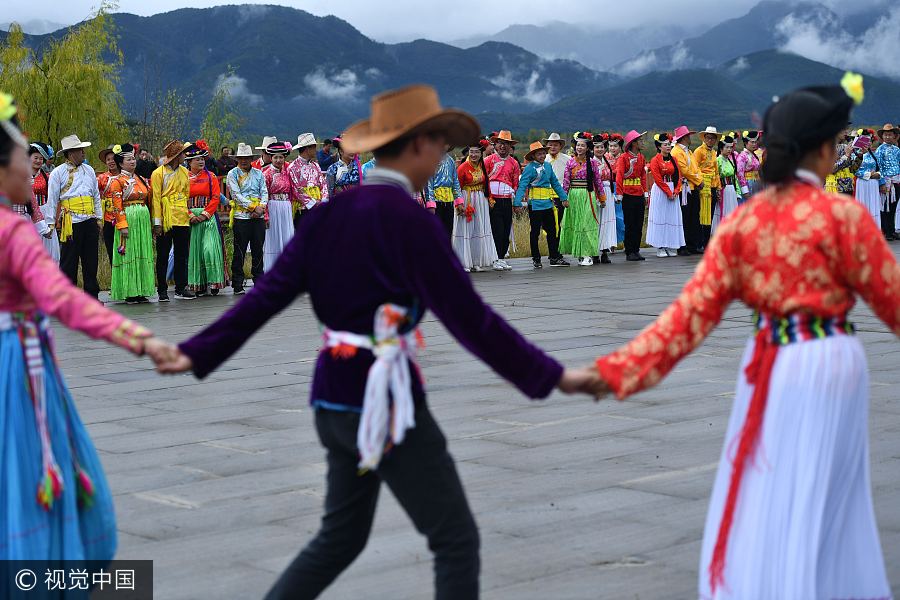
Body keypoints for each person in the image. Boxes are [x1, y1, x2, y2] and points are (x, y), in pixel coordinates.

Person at [148, 84, 593, 600]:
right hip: (383, 403)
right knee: (455, 539)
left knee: (340, 538)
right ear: (419, 144)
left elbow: (263, 297)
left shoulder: (330, 216)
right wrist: (554, 375)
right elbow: (474, 322)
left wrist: (197, 351)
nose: (443, 154)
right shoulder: (414, 223)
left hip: (332, 400)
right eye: (441, 143)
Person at [588, 78, 899, 599]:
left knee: (778, 483)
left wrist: (613, 372)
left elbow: (685, 320)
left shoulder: (743, 224)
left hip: (773, 360)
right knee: (832, 495)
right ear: (823, 150)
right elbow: (893, 302)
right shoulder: (843, 215)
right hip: (833, 360)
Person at [0, 92, 168, 561]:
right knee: (28, 455)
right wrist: (139, 338)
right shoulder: (12, 231)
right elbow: (59, 297)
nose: (30, 173)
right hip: (15, 358)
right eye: (22, 160)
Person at [45, 134, 103, 299]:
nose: (83, 153)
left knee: (91, 261)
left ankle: (92, 296)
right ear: (70, 153)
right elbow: (52, 199)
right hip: (71, 222)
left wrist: (98, 217)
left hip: (89, 220)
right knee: (69, 262)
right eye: (80, 150)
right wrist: (50, 223)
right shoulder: (58, 173)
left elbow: (95, 196)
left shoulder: (89, 170)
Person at [107, 144, 155, 304]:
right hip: (129, 218)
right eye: (129, 159)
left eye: (133, 158)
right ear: (121, 163)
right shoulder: (117, 181)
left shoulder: (139, 179)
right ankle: (130, 291)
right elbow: (116, 204)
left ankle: (141, 289)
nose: (133, 161)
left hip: (142, 218)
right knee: (130, 252)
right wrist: (122, 225)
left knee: (141, 251)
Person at [151, 139, 195, 301]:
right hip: (166, 217)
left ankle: (181, 287)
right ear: (177, 156)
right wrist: (157, 223)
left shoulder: (185, 172)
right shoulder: (158, 173)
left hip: (182, 216)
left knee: (182, 254)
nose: (185, 155)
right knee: (162, 254)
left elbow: (187, 194)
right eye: (183, 153)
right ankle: (162, 289)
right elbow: (155, 198)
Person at [515, 141, 569, 269]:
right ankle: (536, 258)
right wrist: (517, 203)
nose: (542, 156)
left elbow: (555, 183)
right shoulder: (529, 169)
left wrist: (564, 198)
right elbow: (522, 186)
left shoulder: (548, 166)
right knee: (535, 232)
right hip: (535, 205)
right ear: (533, 156)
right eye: (539, 154)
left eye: (544, 153)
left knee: (552, 231)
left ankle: (554, 257)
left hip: (548, 204)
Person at [184, 140, 227, 296]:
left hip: (208, 218)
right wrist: (189, 215)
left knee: (210, 249)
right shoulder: (183, 178)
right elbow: (180, 199)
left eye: (203, 158)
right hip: (191, 218)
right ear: (189, 162)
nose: (201, 161)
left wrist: (204, 215)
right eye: (197, 159)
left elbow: (215, 197)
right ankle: (198, 284)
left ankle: (214, 281)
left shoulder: (211, 177)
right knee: (195, 251)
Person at [226, 143, 268, 295]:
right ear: (237, 159)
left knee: (258, 249)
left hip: (258, 217)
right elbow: (236, 195)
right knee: (240, 250)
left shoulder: (259, 174)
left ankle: (259, 279)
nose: (243, 161)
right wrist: (253, 207)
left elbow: (264, 191)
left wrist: (261, 207)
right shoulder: (233, 174)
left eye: (246, 158)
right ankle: (237, 283)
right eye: (241, 158)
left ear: (251, 158)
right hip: (241, 217)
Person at [453, 141, 499, 272]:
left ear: (481, 153)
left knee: (479, 228)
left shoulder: (482, 165)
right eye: (471, 152)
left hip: (480, 199)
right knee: (466, 229)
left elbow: (487, 183)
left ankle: (476, 261)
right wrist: (459, 203)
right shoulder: (462, 167)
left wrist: (489, 198)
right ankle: (463, 262)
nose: (474, 154)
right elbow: (457, 187)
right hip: (467, 198)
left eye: (477, 152)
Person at [559, 132, 603, 266]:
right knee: (576, 223)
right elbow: (566, 181)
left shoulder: (592, 163)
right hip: (573, 195)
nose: (579, 148)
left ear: (587, 148)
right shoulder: (570, 162)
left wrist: (602, 198)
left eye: (582, 145)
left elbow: (597, 181)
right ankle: (579, 253)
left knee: (586, 223)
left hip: (587, 194)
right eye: (578, 145)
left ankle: (587, 254)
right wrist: (564, 197)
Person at [484, 130, 520, 270]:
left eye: (506, 144)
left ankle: (501, 257)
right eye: (500, 143)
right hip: (493, 200)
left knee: (506, 229)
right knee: (496, 229)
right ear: (495, 145)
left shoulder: (514, 163)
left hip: (506, 199)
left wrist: (516, 200)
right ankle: (495, 258)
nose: (503, 147)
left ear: (510, 146)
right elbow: (484, 180)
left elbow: (515, 183)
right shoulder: (488, 160)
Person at [646, 133, 684, 257]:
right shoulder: (655, 160)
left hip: (672, 188)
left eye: (669, 144)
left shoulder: (674, 159)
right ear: (659, 147)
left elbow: (678, 176)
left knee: (671, 217)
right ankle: (660, 246)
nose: (668, 147)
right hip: (661, 190)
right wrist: (668, 192)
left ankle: (669, 244)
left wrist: (677, 190)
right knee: (661, 216)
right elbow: (657, 179)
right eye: (665, 145)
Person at [615, 130, 649, 262]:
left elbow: (643, 176)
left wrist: (645, 193)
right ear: (633, 143)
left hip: (639, 193)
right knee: (629, 223)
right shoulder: (624, 158)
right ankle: (629, 251)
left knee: (638, 223)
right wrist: (619, 193)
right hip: (628, 194)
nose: (642, 142)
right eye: (640, 140)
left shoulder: (641, 157)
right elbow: (619, 176)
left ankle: (636, 249)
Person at [262, 140, 296, 270]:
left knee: (287, 237)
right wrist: (266, 215)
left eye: (281, 157)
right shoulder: (266, 174)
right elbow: (264, 196)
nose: (278, 160)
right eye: (275, 157)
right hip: (273, 206)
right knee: (274, 238)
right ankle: (272, 268)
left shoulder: (288, 173)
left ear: (284, 158)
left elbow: (292, 192)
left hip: (285, 207)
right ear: (271, 158)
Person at [671, 126, 703, 255]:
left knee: (694, 215)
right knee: (685, 216)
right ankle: (682, 245)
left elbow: (696, 168)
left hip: (692, 187)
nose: (690, 138)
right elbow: (684, 170)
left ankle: (693, 244)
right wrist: (698, 180)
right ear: (684, 138)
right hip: (684, 188)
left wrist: (699, 179)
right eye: (688, 136)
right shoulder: (676, 152)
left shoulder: (688, 152)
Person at [288, 133, 329, 230]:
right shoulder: (293, 167)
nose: (316, 150)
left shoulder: (316, 165)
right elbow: (296, 191)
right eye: (314, 147)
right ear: (307, 148)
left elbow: (323, 184)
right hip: (302, 210)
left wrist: (323, 201)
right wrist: (314, 203)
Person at [425, 147, 465, 236]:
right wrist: (430, 204)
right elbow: (428, 184)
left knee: (448, 231)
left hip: (449, 201)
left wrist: (459, 202)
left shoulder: (450, 160)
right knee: (436, 232)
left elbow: (455, 182)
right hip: (436, 201)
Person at [693, 126, 721, 251]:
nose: (710, 140)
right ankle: (700, 243)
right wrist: (701, 181)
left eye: (712, 138)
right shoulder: (698, 151)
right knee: (702, 214)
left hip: (713, 185)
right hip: (703, 185)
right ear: (704, 138)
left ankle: (707, 243)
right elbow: (695, 167)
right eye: (708, 138)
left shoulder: (714, 152)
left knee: (709, 214)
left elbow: (716, 170)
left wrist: (718, 186)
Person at [28, 143, 56, 256]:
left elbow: (53, 198)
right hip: (26, 213)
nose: (38, 161)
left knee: (46, 250)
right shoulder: (20, 176)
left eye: (41, 158)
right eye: (35, 158)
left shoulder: (47, 177)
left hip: (44, 213)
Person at [874, 123, 899, 240]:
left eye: (890, 135)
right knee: (885, 207)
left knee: (893, 207)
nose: (888, 137)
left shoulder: (897, 149)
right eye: (886, 135)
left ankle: (892, 230)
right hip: (886, 181)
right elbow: (878, 167)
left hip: (896, 181)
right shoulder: (879, 150)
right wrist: (881, 182)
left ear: (894, 136)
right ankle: (887, 232)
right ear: (882, 136)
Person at [593, 137, 616, 264]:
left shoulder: (607, 161)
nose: (600, 149)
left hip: (608, 192)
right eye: (597, 147)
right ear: (593, 149)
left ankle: (605, 250)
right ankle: (595, 251)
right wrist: (597, 197)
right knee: (597, 221)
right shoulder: (591, 162)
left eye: (602, 147)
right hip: (598, 192)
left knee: (607, 222)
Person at [712, 134, 741, 233]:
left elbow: (734, 177)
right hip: (723, 190)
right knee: (722, 212)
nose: (729, 149)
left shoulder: (730, 161)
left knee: (731, 213)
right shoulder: (718, 160)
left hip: (731, 190)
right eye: (727, 147)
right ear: (721, 148)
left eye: (730, 147)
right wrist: (718, 191)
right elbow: (716, 176)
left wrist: (737, 191)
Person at [97, 145, 120, 265]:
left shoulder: (127, 176)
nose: (111, 161)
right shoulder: (102, 178)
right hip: (108, 219)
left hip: (124, 218)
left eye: (113, 158)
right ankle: (115, 280)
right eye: (108, 159)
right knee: (111, 250)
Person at [543, 132, 570, 231]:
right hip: (545, 194)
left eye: (555, 145)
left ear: (560, 146)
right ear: (546, 146)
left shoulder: (567, 159)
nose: (553, 147)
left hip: (561, 195)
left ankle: (559, 243)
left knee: (560, 220)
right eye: (550, 145)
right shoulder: (543, 159)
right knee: (547, 222)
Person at [853, 135, 882, 227]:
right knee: (863, 204)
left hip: (873, 183)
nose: (868, 143)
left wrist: (878, 174)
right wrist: (869, 175)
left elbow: (881, 168)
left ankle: (874, 228)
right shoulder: (856, 155)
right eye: (866, 141)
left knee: (873, 205)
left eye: (870, 141)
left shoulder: (875, 154)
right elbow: (854, 170)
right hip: (862, 183)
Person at [605, 134, 626, 247]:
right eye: (610, 146)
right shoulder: (604, 157)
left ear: (620, 147)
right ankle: (610, 242)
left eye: (615, 146)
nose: (612, 148)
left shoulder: (623, 157)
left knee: (620, 216)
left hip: (620, 187)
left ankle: (623, 239)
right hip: (608, 187)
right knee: (609, 216)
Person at [736, 130, 762, 202]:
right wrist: (745, 190)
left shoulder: (754, 155)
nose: (754, 144)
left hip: (756, 183)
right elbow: (739, 173)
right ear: (746, 143)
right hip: (748, 183)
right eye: (752, 142)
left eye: (755, 142)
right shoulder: (742, 156)